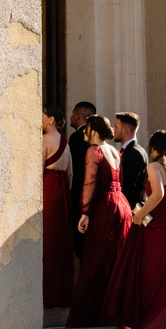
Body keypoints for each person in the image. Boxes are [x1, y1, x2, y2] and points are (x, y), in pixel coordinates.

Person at [102, 130, 166, 329]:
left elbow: (158, 195)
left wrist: (140, 214)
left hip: (161, 228)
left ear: (152, 147)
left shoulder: (154, 166)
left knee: (156, 279)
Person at [66, 115, 133, 328]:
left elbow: (90, 182)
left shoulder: (94, 151)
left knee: (95, 259)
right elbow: (119, 182)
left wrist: (84, 212)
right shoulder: (115, 151)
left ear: (93, 131)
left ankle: (91, 316)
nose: (84, 133)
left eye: (87, 130)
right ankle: (112, 313)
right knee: (114, 259)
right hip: (122, 206)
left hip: (105, 207)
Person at [42, 105, 76, 308]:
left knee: (48, 244)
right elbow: (70, 174)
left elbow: (37, 169)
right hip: (62, 194)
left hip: (49, 190)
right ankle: (62, 296)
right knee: (60, 245)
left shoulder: (45, 140)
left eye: (43, 115)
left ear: (51, 119)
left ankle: (48, 297)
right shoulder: (65, 142)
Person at [68, 101, 96, 258]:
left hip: (80, 196)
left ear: (78, 116)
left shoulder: (77, 138)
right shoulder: (96, 138)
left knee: (80, 242)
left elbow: (76, 171)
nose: (71, 117)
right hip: (93, 197)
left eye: (73, 113)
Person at [114, 112, 148, 209]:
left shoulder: (134, 152)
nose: (113, 130)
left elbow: (129, 185)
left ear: (125, 130)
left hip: (130, 207)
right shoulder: (137, 149)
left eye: (116, 127)